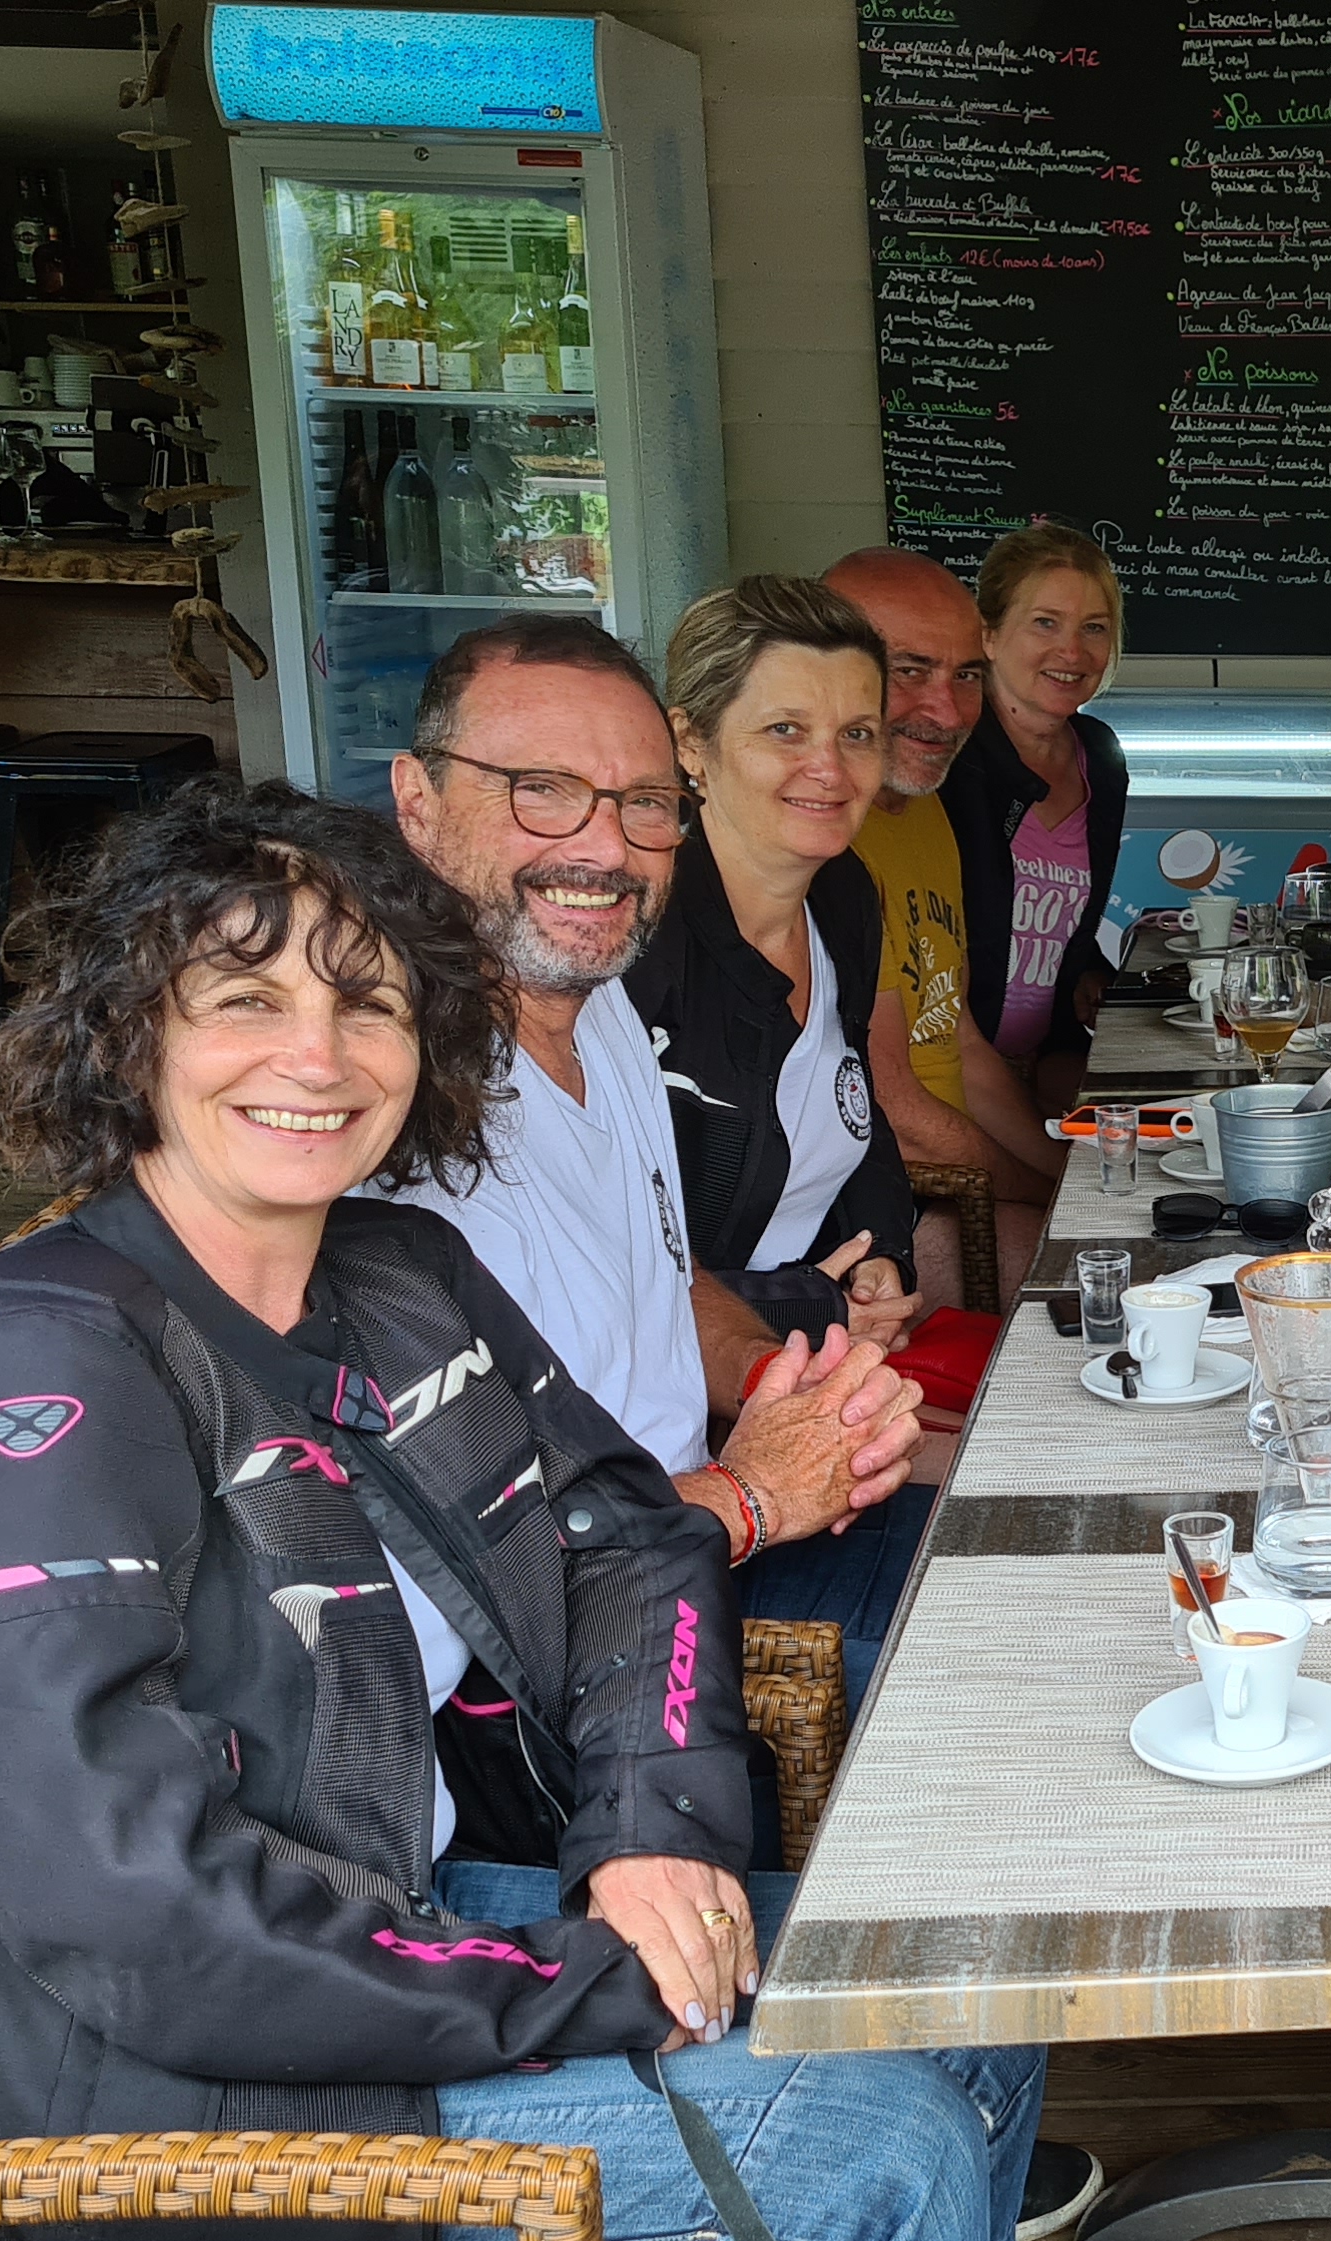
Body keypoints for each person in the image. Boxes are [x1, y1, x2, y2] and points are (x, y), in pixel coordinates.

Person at [0, 780, 1042, 2241]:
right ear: (125, 1034)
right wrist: (593, 1980)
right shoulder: (21, 1384)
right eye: (245, 1000)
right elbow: (139, 1923)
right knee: (872, 2152)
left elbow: (631, 1547)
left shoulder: (396, 1272)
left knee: (964, 1978)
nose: (317, 1056)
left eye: (369, 1003)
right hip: (147, 2129)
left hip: (404, 1922)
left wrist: (649, 1838)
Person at [382, 612, 925, 1665]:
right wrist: (751, 1496)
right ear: (419, 801)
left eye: (642, 802)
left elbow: (667, 1280)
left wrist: (775, 1382)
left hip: (708, 1529)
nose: (602, 848)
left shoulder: (606, 1016)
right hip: (578, 1653)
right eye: (539, 789)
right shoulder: (381, 1100)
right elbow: (458, 1564)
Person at [627, 575, 923, 1352]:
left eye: (857, 733)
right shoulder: (633, 933)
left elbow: (850, 1099)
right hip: (677, 1384)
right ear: (690, 743)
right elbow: (596, 1262)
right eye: (786, 729)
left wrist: (882, 1253)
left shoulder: (843, 894)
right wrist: (806, 1307)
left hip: (821, 1342)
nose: (830, 768)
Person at [825, 543, 1068, 1312]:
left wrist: (1069, 1182)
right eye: (910, 670)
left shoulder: (925, 812)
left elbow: (959, 1043)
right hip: (881, 1217)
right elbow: (896, 1115)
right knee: (1119, 1281)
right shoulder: (825, 843)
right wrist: (1045, 1198)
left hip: (962, 1179)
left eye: (967, 675)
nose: (949, 711)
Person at [937, 522, 1133, 1114]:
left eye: (1093, 628)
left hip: (1044, 1064)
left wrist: (1087, 970)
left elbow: (1049, 917)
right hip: (951, 1079)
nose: (1072, 652)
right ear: (989, 635)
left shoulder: (1099, 755)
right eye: (1045, 623)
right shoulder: (945, 759)